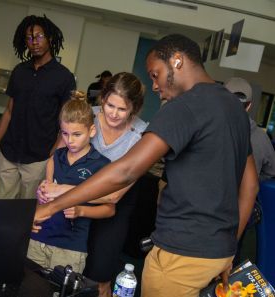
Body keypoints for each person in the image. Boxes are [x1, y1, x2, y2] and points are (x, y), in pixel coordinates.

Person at [34, 34, 258, 297]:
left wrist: (51, 206)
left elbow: (126, 171)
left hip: (181, 253)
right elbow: (250, 184)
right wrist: (228, 246)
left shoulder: (183, 107)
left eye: (155, 74)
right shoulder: (234, 106)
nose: (153, 85)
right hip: (217, 253)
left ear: (177, 61)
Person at [37, 72, 147, 297]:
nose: (113, 114)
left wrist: (61, 190)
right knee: (56, 270)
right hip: (70, 199)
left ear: (134, 109)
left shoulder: (142, 135)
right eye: (109, 105)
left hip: (112, 206)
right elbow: (57, 156)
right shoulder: (88, 115)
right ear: (102, 99)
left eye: (122, 109)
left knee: (98, 277)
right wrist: (47, 186)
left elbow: (113, 196)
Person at [0, 15, 76, 199]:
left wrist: (54, 152)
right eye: (29, 38)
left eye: (39, 36)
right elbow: (8, 112)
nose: (34, 42)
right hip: (9, 152)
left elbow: (67, 120)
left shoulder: (64, 77)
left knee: (27, 212)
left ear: (49, 38)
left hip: (39, 157)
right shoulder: (19, 72)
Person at [28, 95, 114, 272]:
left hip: (70, 247)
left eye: (77, 134)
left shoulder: (101, 165)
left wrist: (82, 210)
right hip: (38, 238)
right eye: (65, 134)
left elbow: (109, 208)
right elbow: (46, 193)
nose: (70, 140)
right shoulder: (56, 158)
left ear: (91, 131)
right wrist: (41, 196)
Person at [225, 77, 275, 180]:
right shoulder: (261, 138)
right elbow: (271, 171)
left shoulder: (204, 128)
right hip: (245, 194)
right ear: (249, 106)